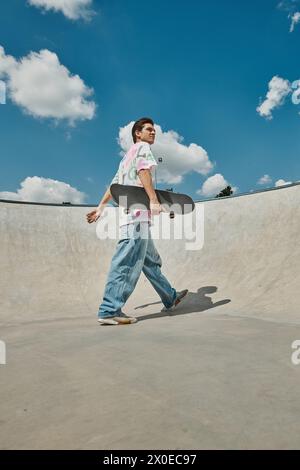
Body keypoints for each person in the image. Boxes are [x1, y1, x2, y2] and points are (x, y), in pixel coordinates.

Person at [86, 117, 188, 325]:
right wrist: (153, 199)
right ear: (137, 134)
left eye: (154, 130)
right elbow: (143, 171)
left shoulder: (125, 159)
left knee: (150, 263)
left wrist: (100, 207)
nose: (153, 133)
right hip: (136, 219)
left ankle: (170, 297)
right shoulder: (142, 148)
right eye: (149, 129)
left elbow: (113, 186)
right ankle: (109, 309)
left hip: (133, 217)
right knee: (126, 261)